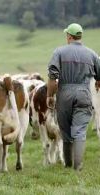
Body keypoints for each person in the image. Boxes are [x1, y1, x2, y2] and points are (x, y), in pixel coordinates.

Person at [47, 23, 100, 171]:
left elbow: (52, 77)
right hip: (84, 93)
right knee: (80, 131)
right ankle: (77, 167)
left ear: (69, 36)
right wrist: (97, 84)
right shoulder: (92, 54)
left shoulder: (59, 52)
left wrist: (50, 96)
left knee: (66, 132)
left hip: (64, 94)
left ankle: (68, 164)